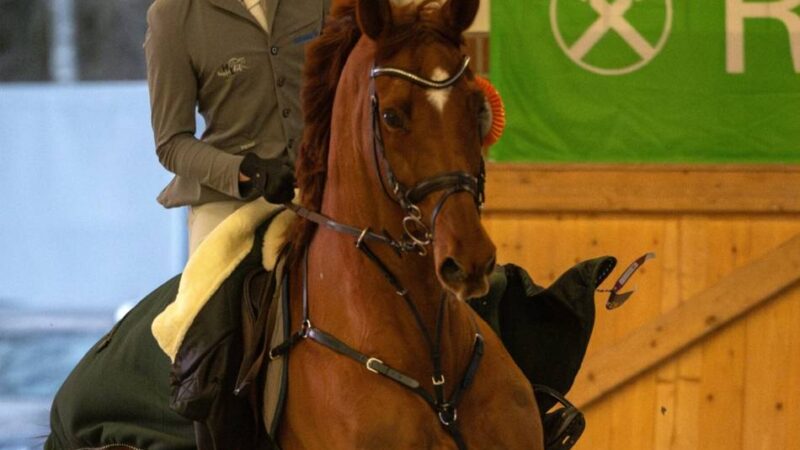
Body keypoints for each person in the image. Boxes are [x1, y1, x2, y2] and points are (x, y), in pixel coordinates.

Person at [145, 0, 328, 254]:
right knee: (208, 289)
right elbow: (171, 144)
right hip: (232, 201)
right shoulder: (172, 16)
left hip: (328, 183)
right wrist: (246, 172)